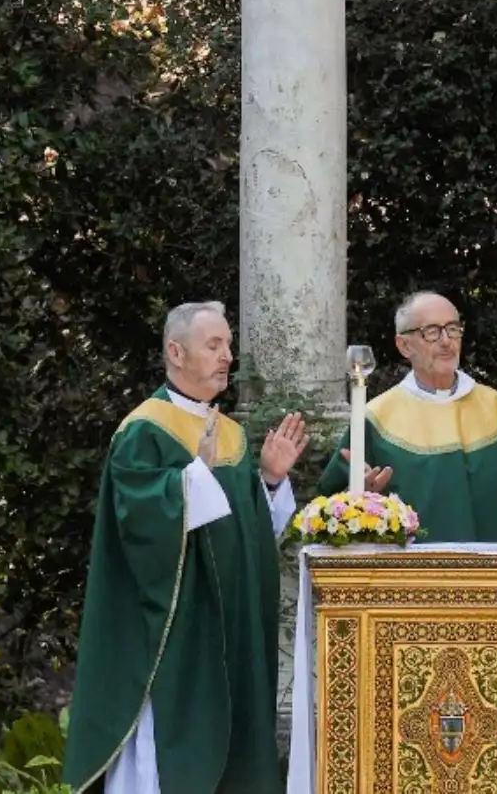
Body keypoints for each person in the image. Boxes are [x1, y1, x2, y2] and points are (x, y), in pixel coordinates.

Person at [64, 301, 308, 794]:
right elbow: (138, 526)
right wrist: (192, 473)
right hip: (176, 632)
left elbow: (248, 531)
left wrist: (270, 478)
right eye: (213, 345)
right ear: (176, 352)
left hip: (231, 627)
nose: (227, 356)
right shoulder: (144, 431)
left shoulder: (231, 435)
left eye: (229, 346)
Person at [317, 290, 497, 543]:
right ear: (404, 345)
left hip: (492, 584)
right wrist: (360, 496)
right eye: (432, 332)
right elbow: (332, 516)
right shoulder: (376, 419)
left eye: (453, 329)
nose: (447, 341)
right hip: (404, 587)